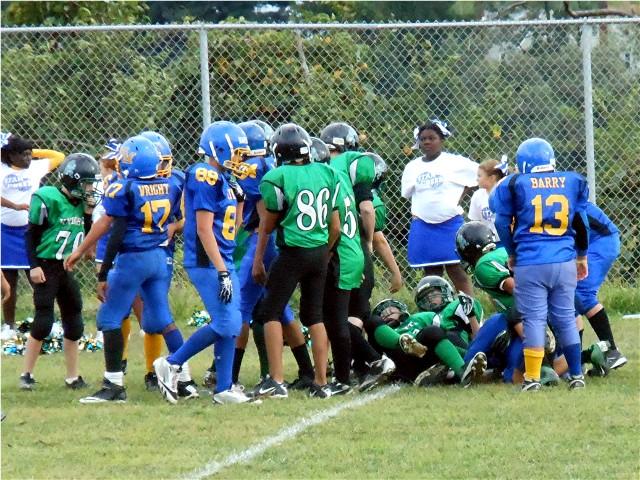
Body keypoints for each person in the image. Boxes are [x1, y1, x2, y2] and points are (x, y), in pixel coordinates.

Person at [76, 135, 188, 403]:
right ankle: (184, 379)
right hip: (158, 257)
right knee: (162, 318)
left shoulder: (123, 188)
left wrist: (102, 272)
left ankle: (113, 384)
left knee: (109, 317)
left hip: (133, 259)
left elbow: (115, 232)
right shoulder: (170, 185)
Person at [154, 121, 254, 405]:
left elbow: (234, 229)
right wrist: (221, 270)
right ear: (219, 149)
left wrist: (240, 201)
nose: (241, 160)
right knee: (226, 323)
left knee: (232, 323)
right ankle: (171, 363)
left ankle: (224, 388)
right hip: (207, 261)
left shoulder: (225, 179)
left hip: (223, 258)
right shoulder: (203, 175)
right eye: (237, 153)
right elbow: (203, 228)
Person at [490, 137, 590, 391]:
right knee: (566, 318)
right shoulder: (571, 181)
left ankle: (532, 378)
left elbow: (501, 222)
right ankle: (577, 376)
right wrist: (582, 255)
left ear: (523, 163)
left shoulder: (514, 183)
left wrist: (511, 252)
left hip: (531, 261)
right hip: (564, 259)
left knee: (534, 319)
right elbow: (581, 222)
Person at [252, 123, 341, 399]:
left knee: (270, 312)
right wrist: (324, 253)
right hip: (319, 251)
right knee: (314, 316)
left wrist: (258, 260)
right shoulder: (328, 173)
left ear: (278, 152)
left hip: (292, 252)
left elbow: (267, 225)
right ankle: (321, 382)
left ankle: (276, 380)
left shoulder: (276, 177)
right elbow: (335, 227)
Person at [19, 153, 101, 391]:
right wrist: (33, 266)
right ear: (72, 180)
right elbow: (30, 235)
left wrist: (88, 214)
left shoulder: (81, 205)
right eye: (86, 184)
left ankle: (72, 377)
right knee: (43, 321)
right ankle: (26, 374)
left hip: (65, 267)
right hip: (45, 266)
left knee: (74, 321)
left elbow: (86, 235)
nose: (90, 189)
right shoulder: (48, 198)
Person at [401, 119, 477, 295]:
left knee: (456, 270)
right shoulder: (413, 167)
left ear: (441, 139)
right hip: (424, 225)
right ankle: (436, 309)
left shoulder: (454, 162)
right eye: (423, 139)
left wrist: (460, 197)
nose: (427, 142)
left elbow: (479, 175)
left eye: (432, 138)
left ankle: (470, 308)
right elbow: (407, 193)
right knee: (431, 274)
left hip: (450, 224)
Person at [365, 276, 486, 386]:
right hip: (394, 360)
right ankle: (401, 342)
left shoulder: (419, 317)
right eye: (383, 314)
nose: (387, 314)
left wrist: (471, 316)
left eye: (391, 310)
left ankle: (462, 372)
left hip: (420, 353)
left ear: (402, 311)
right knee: (371, 321)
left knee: (434, 331)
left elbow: (443, 335)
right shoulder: (379, 330)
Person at [1, 133, 65, 330]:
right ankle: (9, 326)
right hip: (6, 232)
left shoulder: (35, 168)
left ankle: (48, 322)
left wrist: (30, 150)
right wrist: (15, 206)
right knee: (9, 281)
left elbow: (59, 156)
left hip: (31, 232)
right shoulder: (2, 170)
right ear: (11, 155)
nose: (28, 158)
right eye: (23, 154)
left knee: (39, 279)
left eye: (29, 154)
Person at [576, 202, 627, 371]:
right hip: (590, 240)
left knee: (581, 294)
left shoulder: (560, 191)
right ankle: (574, 361)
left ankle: (611, 352)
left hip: (599, 240)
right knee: (569, 295)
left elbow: (581, 224)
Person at [468, 157, 508, 243]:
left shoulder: (506, 194)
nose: (477, 179)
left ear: (492, 178)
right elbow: (475, 223)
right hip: (486, 242)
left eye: (480, 176)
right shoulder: (478, 195)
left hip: (506, 241)